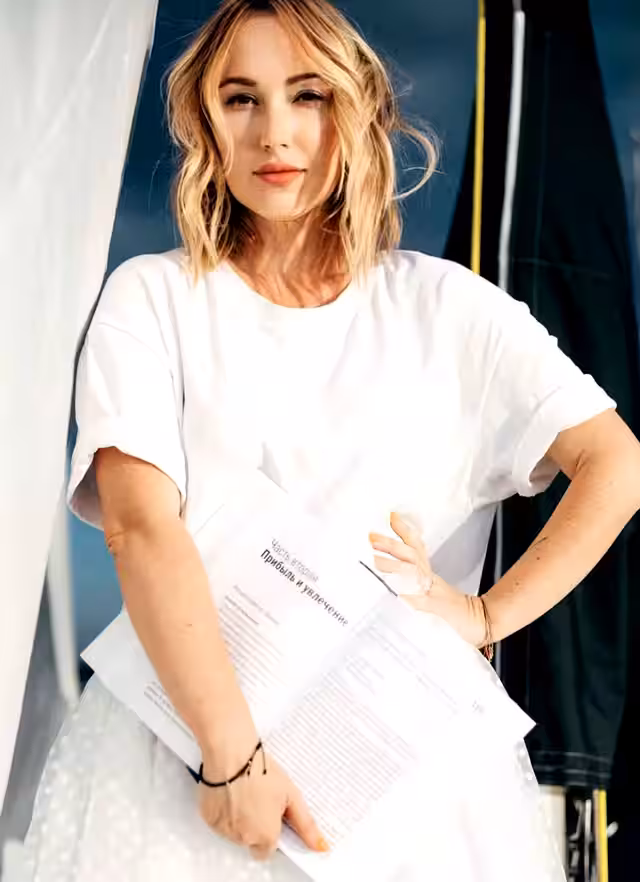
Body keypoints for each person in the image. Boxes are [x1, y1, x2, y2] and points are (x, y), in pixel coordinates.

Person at [13, 0, 640, 880]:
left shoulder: (449, 308)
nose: (274, 131)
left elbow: (616, 462)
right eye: (241, 99)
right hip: (184, 776)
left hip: (404, 787)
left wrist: (486, 616)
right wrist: (231, 761)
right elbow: (140, 528)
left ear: (356, 110)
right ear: (203, 122)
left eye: (306, 95)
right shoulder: (152, 298)